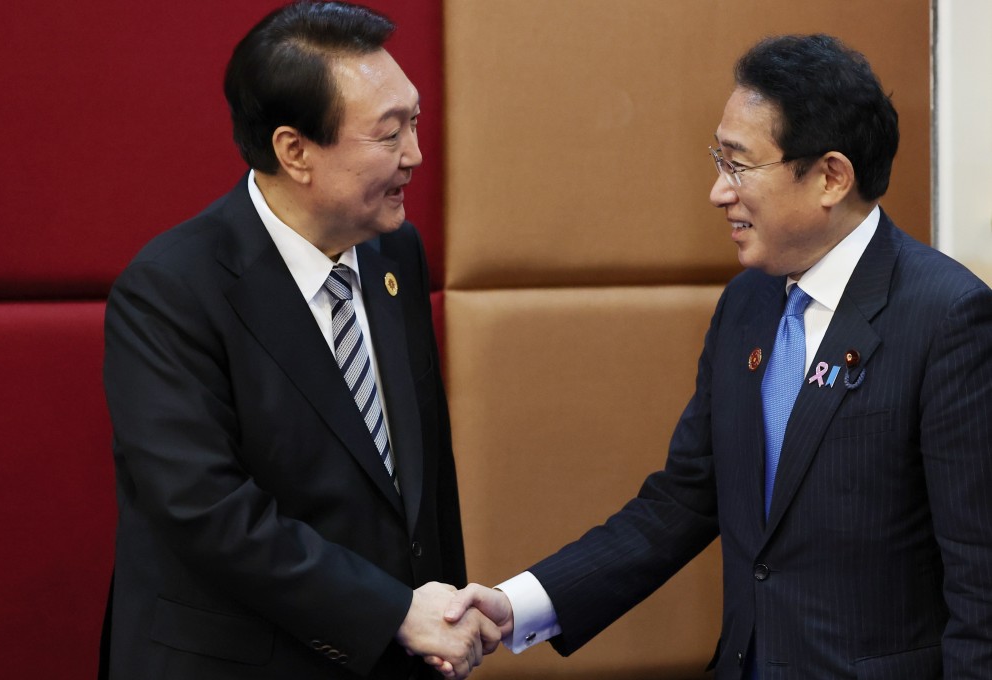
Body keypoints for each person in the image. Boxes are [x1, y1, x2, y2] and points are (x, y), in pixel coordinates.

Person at [442, 33, 992, 679]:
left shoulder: (947, 317)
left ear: (830, 177)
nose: (718, 191)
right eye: (718, 160)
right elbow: (683, 501)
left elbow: (980, 578)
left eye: (738, 164)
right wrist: (517, 605)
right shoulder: (747, 305)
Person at [100, 2, 497, 679]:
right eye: (389, 133)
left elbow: (419, 475)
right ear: (295, 151)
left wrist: (442, 620)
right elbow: (209, 512)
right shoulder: (171, 291)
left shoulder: (393, 251)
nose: (416, 155)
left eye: (416, 120)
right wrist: (393, 612)